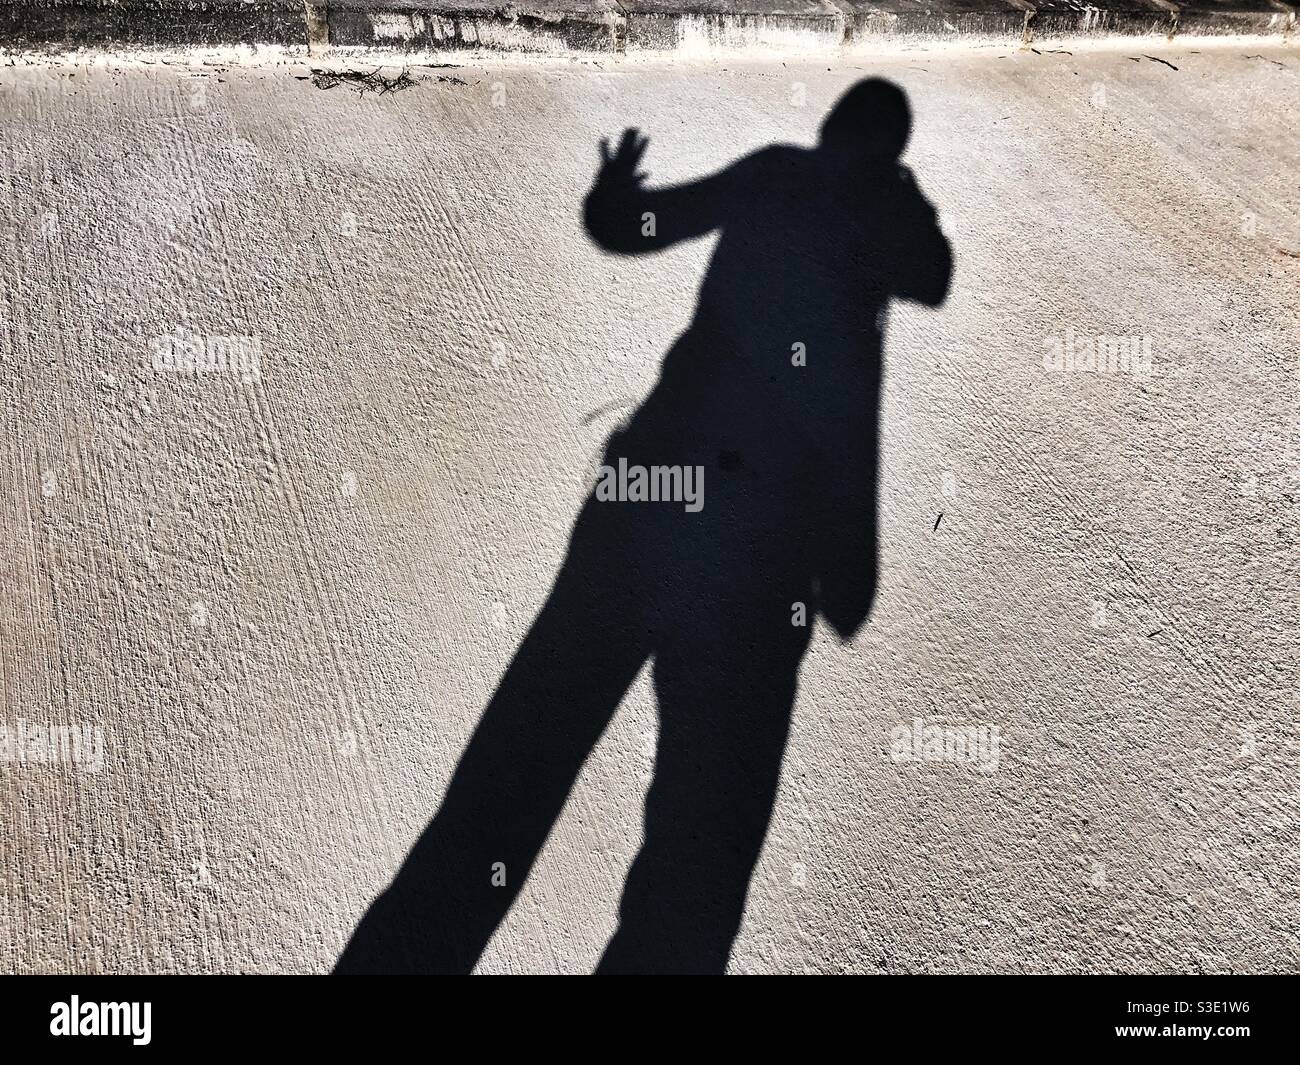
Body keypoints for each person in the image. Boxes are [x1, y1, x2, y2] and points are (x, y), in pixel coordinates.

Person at [336, 77, 953, 974]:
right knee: (696, 865)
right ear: (889, 151)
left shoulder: (775, 176)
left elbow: (635, 228)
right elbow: (934, 275)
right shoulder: (883, 218)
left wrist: (610, 193)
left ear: (829, 131)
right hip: (759, 558)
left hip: (649, 500)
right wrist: (901, 191)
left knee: (507, 787)